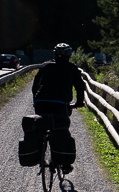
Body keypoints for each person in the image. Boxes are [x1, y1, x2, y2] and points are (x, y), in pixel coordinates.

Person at [32, 43, 86, 174]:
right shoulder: (72, 68)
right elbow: (80, 87)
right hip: (59, 104)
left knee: (41, 127)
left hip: (41, 103)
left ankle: (39, 154)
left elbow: (35, 86)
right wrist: (79, 102)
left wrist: (36, 100)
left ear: (55, 54)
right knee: (62, 129)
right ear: (69, 55)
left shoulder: (45, 66)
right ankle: (65, 164)